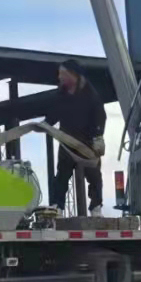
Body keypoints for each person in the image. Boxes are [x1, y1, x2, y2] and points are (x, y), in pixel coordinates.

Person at [47, 58, 106, 215]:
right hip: (67, 142)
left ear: (72, 75)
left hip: (87, 142)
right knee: (62, 175)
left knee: (94, 175)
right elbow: (54, 113)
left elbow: (100, 115)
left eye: (62, 73)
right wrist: (46, 124)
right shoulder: (61, 95)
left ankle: (96, 206)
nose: (59, 77)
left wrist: (98, 136)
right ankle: (57, 206)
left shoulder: (90, 94)